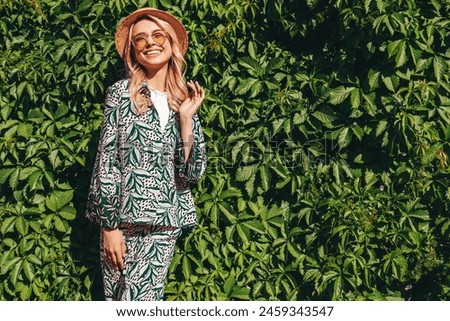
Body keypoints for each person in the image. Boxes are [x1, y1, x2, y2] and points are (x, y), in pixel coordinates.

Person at [85, 7, 207, 301]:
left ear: (171, 43)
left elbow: (192, 173)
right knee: (119, 302)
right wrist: (109, 227)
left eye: (157, 35)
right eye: (140, 39)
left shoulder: (183, 101)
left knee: (142, 303)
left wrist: (187, 120)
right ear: (133, 50)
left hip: (165, 222)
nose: (150, 42)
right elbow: (107, 162)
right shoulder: (120, 94)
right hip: (123, 222)